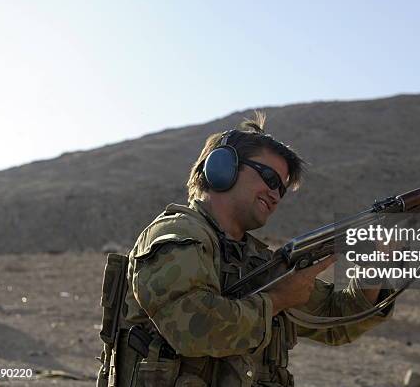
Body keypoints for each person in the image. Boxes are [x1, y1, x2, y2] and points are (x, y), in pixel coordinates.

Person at [112, 112, 394, 387]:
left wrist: (377, 263)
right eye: (269, 178)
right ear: (223, 167)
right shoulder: (177, 234)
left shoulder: (259, 262)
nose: (275, 194)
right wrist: (277, 301)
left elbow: (338, 320)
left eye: (281, 190)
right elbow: (192, 328)